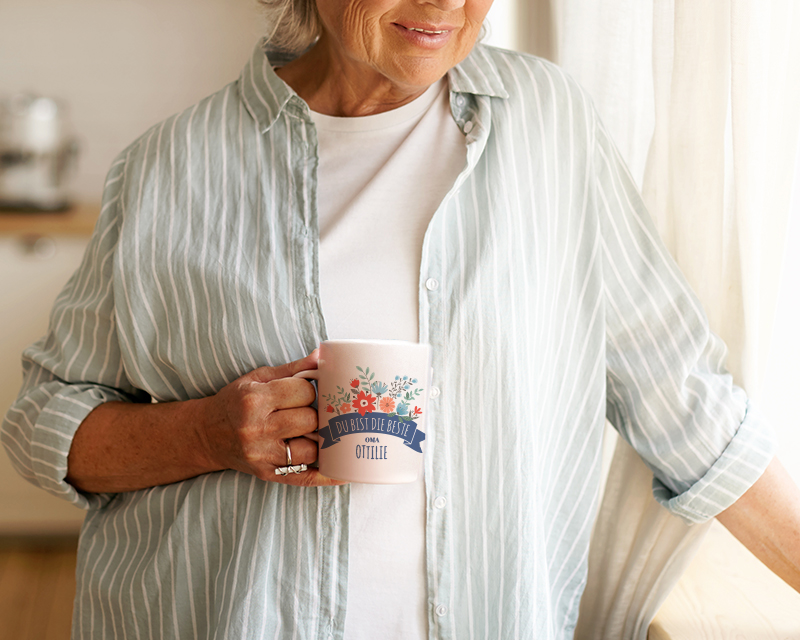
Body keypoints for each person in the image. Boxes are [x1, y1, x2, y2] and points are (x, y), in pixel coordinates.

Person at [2, 0, 799, 638]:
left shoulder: (549, 126)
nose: (447, 4)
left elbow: (684, 400)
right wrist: (206, 433)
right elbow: (42, 421)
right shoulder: (169, 166)